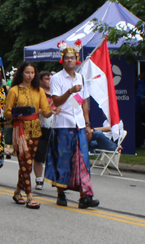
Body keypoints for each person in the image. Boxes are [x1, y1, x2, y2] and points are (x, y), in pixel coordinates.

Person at [45, 40, 100, 209]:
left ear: (77, 60)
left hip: (79, 125)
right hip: (63, 124)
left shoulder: (81, 78)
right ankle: (61, 193)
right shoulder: (56, 78)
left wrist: (88, 123)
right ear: (63, 60)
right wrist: (70, 91)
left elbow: (82, 103)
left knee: (82, 159)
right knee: (64, 159)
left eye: (73, 57)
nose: (70, 60)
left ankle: (86, 195)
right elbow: (56, 101)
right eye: (67, 58)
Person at [4, 62, 59, 209]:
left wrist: (52, 111)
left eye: (32, 73)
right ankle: (29, 196)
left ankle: (17, 192)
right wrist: (15, 115)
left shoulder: (38, 90)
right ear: (22, 73)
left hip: (35, 129)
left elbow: (45, 111)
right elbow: (6, 112)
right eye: (27, 72)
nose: (30, 75)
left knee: (26, 164)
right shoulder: (14, 90)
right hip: (20, 128)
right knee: (26, 162)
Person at [33, 71, 55, 190]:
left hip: (55, 126)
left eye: (51, 79)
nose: (49, 81)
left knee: (56, 154)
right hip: (41, 126)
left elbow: (74, 105)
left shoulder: (58, 93)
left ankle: (57, 179)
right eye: (47, 79)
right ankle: (39, 179)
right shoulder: (38, 93)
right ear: (41, 80)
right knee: (39, 155)